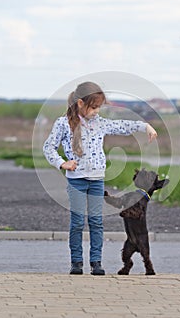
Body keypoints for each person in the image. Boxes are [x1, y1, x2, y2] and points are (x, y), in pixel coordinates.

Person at [43, 81, 157, 275]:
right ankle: (76, 262)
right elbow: (49, 147)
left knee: (96, 222)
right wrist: (62, 163)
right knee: (78, 222)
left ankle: (96, 262)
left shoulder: (100, 123)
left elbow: (121, 125)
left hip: (97, 180)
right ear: (80, 103)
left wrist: (144, 126)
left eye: (99, 107)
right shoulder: (63, 123)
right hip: (76, 180)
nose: (97, 111)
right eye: (94, 107)